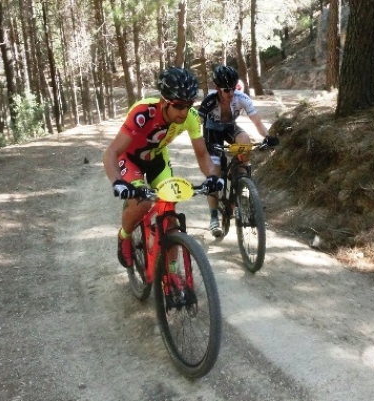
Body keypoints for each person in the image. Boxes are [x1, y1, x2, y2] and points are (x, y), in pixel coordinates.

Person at [103, 67, 224, 270]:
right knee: (142, 204)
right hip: (130, 158)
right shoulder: (143, 112)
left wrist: (213, 177)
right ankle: (125, 235)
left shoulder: (191, 117)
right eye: (178, 106)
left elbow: (203, 156)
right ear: (164, 101)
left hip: (157, 158)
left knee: (170, 211)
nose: (184, 112)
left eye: (188, 105)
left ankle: (173, 270)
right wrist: (119, 183)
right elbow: (111, 153)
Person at [198, 65, 279, 237]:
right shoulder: (209, 101)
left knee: (245, 141)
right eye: (226, 90)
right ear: (218, 88)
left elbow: (257, 122)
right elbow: (195, 124)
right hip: (212, 133)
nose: (230, 93)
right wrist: (202, 147)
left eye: (233, 89)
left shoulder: (241, 98)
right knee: (214, 174)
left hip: (229, 128)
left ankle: (241, 180)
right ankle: (214, 217)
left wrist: (268, 136)